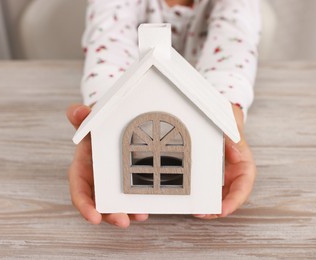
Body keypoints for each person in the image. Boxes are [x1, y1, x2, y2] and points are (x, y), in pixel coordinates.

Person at [67, 0, 260, 228]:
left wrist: (226, 114)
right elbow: (109, 45)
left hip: (203, 101)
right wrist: (104, 113)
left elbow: (233, 48)